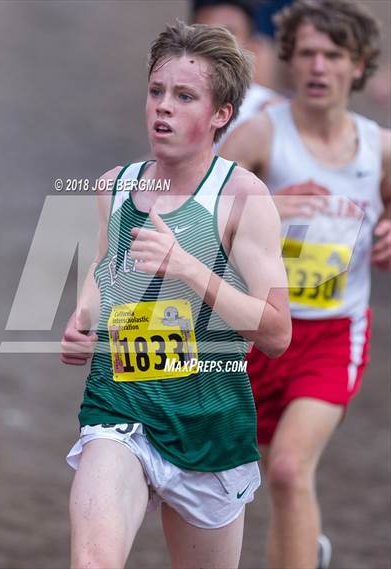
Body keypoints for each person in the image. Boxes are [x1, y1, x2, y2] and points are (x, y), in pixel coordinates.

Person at [61, 20, 291, 569]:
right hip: (120, 411)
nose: (163, 107)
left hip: (209, 426)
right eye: (157, 91)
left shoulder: (242, 196)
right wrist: (85, 317)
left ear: (220, 115)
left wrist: (190, 270)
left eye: (185, 96)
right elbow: (104, 267)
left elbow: (277, 332)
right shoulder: (115, 185)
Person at [220, 1, 391, 568]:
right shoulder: (260, 137)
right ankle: (305, 551)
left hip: (333, 335)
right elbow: (195, 221)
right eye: (308, 53)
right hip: (255, 334)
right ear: (291, 60)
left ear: (358, 65)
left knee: (292, 469)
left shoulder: (379, 149)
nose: (319, 67)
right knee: (253, 476)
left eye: (334, 55)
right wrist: (266, 206)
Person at [193, 0, 282, 149]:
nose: (215, 45)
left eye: (228, 34)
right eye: (206, 34)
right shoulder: (171, 105)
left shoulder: (273, 114)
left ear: (253, 48)